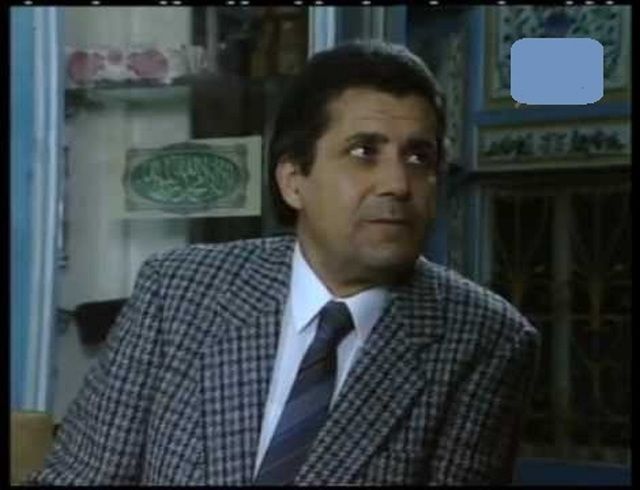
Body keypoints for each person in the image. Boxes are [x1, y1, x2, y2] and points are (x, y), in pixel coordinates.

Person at [28, 40, 540, 485]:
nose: (397, 184)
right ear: (294, 181)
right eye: (364, 152)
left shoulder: (485, 340)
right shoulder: (179, 292)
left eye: (418, 157)